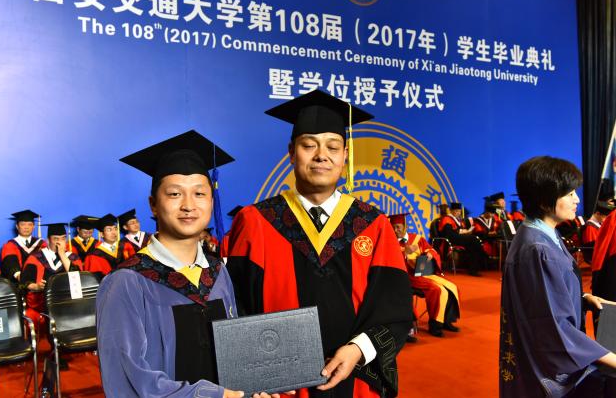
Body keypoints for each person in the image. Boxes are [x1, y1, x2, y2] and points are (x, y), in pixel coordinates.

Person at [227, 90, 414, 398]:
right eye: (308, 145)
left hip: (355, 379)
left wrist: (357, 349)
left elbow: (394, 307)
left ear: (345, 155)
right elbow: (236, 306)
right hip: (280, 387)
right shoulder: (256, 222)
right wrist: (258, 372)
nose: (321, 155)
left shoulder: (373, 224)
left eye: (332, 146)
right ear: (291, 152)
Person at [97, 129, 284, 398]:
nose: (188, 205)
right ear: (153, 204)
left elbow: (237, 356)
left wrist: (254, 388)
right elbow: (128, 381)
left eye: (199, 193)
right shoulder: (126, 282)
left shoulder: (217, 272)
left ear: (211, 201)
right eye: (175, 194)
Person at [500, 156, 616, 397]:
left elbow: (541, 299)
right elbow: (554, 329)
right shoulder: (538, 249)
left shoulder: (543, 234)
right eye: (569, 193)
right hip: (547, 372)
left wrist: (582, 298)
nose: (577, 200)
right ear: (544, 201)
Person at [389, 214, 460, 338]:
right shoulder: (390, 242)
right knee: (438, 289)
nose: (395, 230)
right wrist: (404, 253)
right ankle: (435, 325)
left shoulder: (417, 238)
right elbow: (390, 261)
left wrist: (430, 254)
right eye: (393, 227)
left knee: (452, 287)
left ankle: (446, 321)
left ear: (405, 227)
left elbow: (431, 249)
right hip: (406, 276)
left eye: (398, 227)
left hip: (423, 273)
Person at [21, 223, 83, 335]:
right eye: (56, 239)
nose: (60, 242)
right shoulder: (35, 258)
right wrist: (36, 287)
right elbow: (24, 283)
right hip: (42, 305)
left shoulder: (73, 257)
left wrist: (62, 255)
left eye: (63, 238)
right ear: (48, 240)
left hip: (68, 304)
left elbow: (77, 279)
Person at [437, 202, 486, 276]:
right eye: (456, 211)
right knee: (473, 240)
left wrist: (465, 231)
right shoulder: (446, 219)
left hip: (457, 238)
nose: (458, 213)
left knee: (475, 240)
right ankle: (473, 269)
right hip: (450, 239)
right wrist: (461, 232)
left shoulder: (457, 220)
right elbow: (448, 233)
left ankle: (473, 267)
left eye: (459, 211)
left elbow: (459, 230)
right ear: (451, 211)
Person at [83, 214, 135, 278]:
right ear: (102, 234)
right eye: (109, 230)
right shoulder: (94, 255)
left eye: (115, 229)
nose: (114, 232)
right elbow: (95, 278)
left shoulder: (126, 246)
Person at [0, 210, 46, 282]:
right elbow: (11, 265)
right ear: (17, 226)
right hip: (20, 283)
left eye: (29, 224)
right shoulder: (10, 245)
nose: (26, 227)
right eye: (23, 224)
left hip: (41, 282)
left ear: (33, 226)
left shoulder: (42, 244)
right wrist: (24, 281)